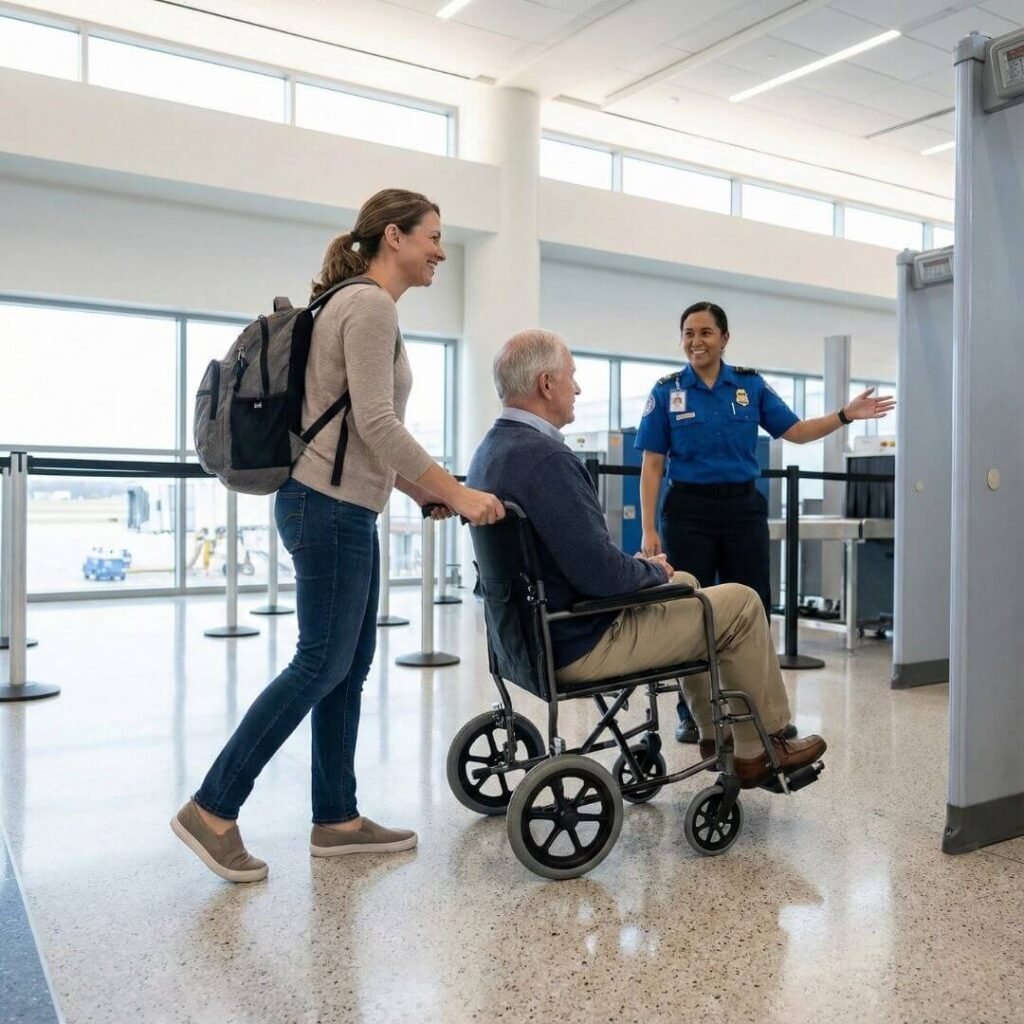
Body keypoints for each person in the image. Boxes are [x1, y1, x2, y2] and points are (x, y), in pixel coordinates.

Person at [172, 189, 505, 883]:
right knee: (321, 663)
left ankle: (337, 819)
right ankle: (212, 808)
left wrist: (417, 491)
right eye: (432, 237)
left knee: (345, 669)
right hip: (327, 508)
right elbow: (381, 424)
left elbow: (356, 426)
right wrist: (458, 492)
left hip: (340, 505)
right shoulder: (370, 305)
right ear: (394, 237)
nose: (441, 251)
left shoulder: (346, 304)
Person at [467, 329, 827, 787]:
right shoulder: (547, 459)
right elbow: (598, 573)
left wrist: (648, 572)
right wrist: (649, 569)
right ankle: (764, 744)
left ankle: (717, 736)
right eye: (572, 377)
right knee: (741, 602)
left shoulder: (491, 451)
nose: (577, 388)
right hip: (580, 638)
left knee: (692, 582)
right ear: (546, 384)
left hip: (523, 637)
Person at [636, 302, 895, 743]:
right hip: (688, 513)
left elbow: (795, 431)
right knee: (688, 610)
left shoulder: (750, 387)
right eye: (688, 333)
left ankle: (757, 709)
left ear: (724, 338)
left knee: (753, 609)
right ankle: (691, 712)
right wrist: (648, 528)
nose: (695, 341)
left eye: (705, 333)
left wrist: (846, 415)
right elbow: (653, 465)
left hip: (742, 511)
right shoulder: (666, 392)